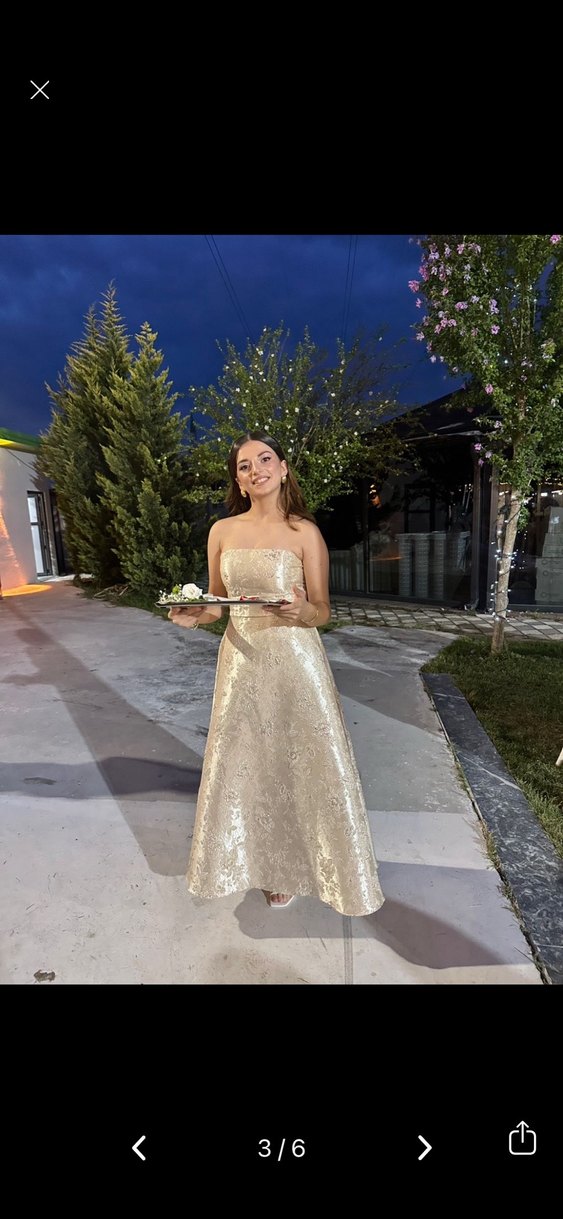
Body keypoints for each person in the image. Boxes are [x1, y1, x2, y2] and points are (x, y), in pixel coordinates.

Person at [168, 431, 384, 916]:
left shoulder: (304, 532)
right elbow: (217, 605)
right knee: (248, 763)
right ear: (239, 481)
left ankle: (307, 867)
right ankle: (259, 864)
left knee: (302, 763)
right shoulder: (222, 531)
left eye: (264, 459)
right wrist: (193, 615)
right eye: (244, 466)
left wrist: (303, 609)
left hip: (296, 661)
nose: (256, 470)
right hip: (241, 662)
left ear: (283, 469)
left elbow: (322, 611)